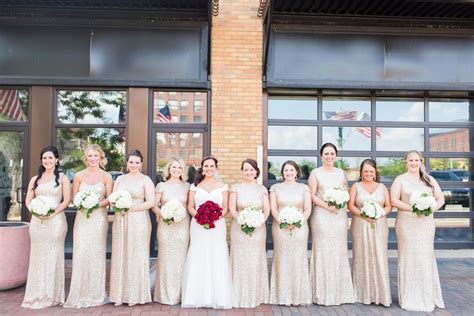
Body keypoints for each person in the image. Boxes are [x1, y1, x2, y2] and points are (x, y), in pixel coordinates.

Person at [391, 150, 445, 312]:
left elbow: (440, 198)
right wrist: (413, 209)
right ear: (406, 162)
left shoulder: (429, 179)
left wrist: (430, 209)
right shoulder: (400, 180)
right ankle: (410, 297)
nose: (414, 163)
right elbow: (394, 200)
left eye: (416, 160)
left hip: (425, 224)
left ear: (421, 161)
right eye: (410, 160)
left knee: (424, 257)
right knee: (409, 257)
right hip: (406, 223)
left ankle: (427, 296)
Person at [22, 145, 71, 309]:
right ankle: (36, 293)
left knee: (53, 256)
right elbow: (28, 200)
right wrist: (35, 211)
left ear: (56, 159)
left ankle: (52, 295)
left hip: (56, 222)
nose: (47, 161)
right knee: (38, 256)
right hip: (38, 222)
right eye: (44, 158)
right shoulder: (35, 179)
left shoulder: (63, 178)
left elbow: (66, 200)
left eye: (50, 158)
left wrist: (52, 213)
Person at [181, 156, 233, 309]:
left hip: (217, 225)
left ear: (216, 168)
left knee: (216, 254)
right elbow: (190, 206)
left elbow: (225, 208)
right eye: (206, 166)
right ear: (202, 168)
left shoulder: (223, 186)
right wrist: (200, 217)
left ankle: (219, 296)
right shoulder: (194, 186)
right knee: (199, 253)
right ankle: (195, 295)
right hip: (198, 224)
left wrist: (213, 217)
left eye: (212, 166)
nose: (209, 168)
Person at [64, 144, 112, 308]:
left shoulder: (107, 176)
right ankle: (79, 292)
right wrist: (83, 202)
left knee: (97, 253)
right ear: (86, 158)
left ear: (101, 158)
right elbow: (73, 198)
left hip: (99, 219)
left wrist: (95, 205)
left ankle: (95, 293)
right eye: (90, 156)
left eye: (95, 156)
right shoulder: (78, 175)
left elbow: (109, 199)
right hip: (82, 219)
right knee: (81, 252)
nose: (93, 159)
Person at [308, 143, 354, 305]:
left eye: (332, 153)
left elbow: (345, 193)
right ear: (321, 156)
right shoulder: (315, 173)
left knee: (338, 250)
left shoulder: (341, 173)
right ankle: (320, 293)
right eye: (326, 153)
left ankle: (340, 293)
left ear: (336, 155)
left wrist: (339, 203)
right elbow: (312, 195)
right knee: (323, 250)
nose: (329, 156)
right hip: (321, 215)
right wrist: (327, 206)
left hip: (339, 216)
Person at [109, 149, 155, 306]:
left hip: (139, 220)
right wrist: (118, 205)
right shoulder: (120, 179)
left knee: (137, 254)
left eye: (137, 162)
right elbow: (112, 200)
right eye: (131, 162)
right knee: (121, 253)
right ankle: (120, 294)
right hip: (121, 220)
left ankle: (136, 295)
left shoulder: (146, 180)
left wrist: (131, 208)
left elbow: (151, 202)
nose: (134, 165)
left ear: (141, 164)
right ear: (127, 163)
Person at [348, 159, 392, 306]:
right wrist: (364, 215)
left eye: (371, 171)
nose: (368, 174)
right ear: (361, 172)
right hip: (360, 224)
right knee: (362, 255)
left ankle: (381, 295)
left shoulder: (382, 187)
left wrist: (379, 214)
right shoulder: (355, 186)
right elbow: (351, 205)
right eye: (365, 171)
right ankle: (362, 293)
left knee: (379, 255)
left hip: (379, 224)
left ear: (375, 172)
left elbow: (389, 206)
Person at [269, 160, 312, 306]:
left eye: (291, 170)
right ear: (282, 172)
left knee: (298, 258)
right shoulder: (275, 188)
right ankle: (281, 295)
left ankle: (299, 295)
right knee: (282, 258)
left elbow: (307, 209)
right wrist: (283, 221)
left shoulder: (304, 188)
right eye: (286, 170)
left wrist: (298, 221)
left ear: (296, 172)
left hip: (300, 228)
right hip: (280, 227)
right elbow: (274, 208)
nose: (289, 173)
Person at [229, 158, 270, 308]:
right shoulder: (235, 187)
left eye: (251, 169)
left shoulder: (262, 189)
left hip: (258, 230)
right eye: (246, 169)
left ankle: (255, 295)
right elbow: (232, 209)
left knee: (254, 260)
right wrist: (242, 220)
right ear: (242, 171)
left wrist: (259, 221)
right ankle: (237, 295)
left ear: (256, 171)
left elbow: (266, 210)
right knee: (239, 260)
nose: (248, 172)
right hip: (239, 229)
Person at [153, 157, 190, 305]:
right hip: (166, 226)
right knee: (166, 258)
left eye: (179, 168)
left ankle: (181, 294)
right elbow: (154, 205)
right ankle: (165, 294)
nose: (176, 170)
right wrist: (165, 215)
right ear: (168, 169)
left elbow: (190, 206)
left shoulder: (187, 186)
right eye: (173, 167)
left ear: (183, 170)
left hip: (182, 226)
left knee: (181, 258)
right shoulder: (161, 186)